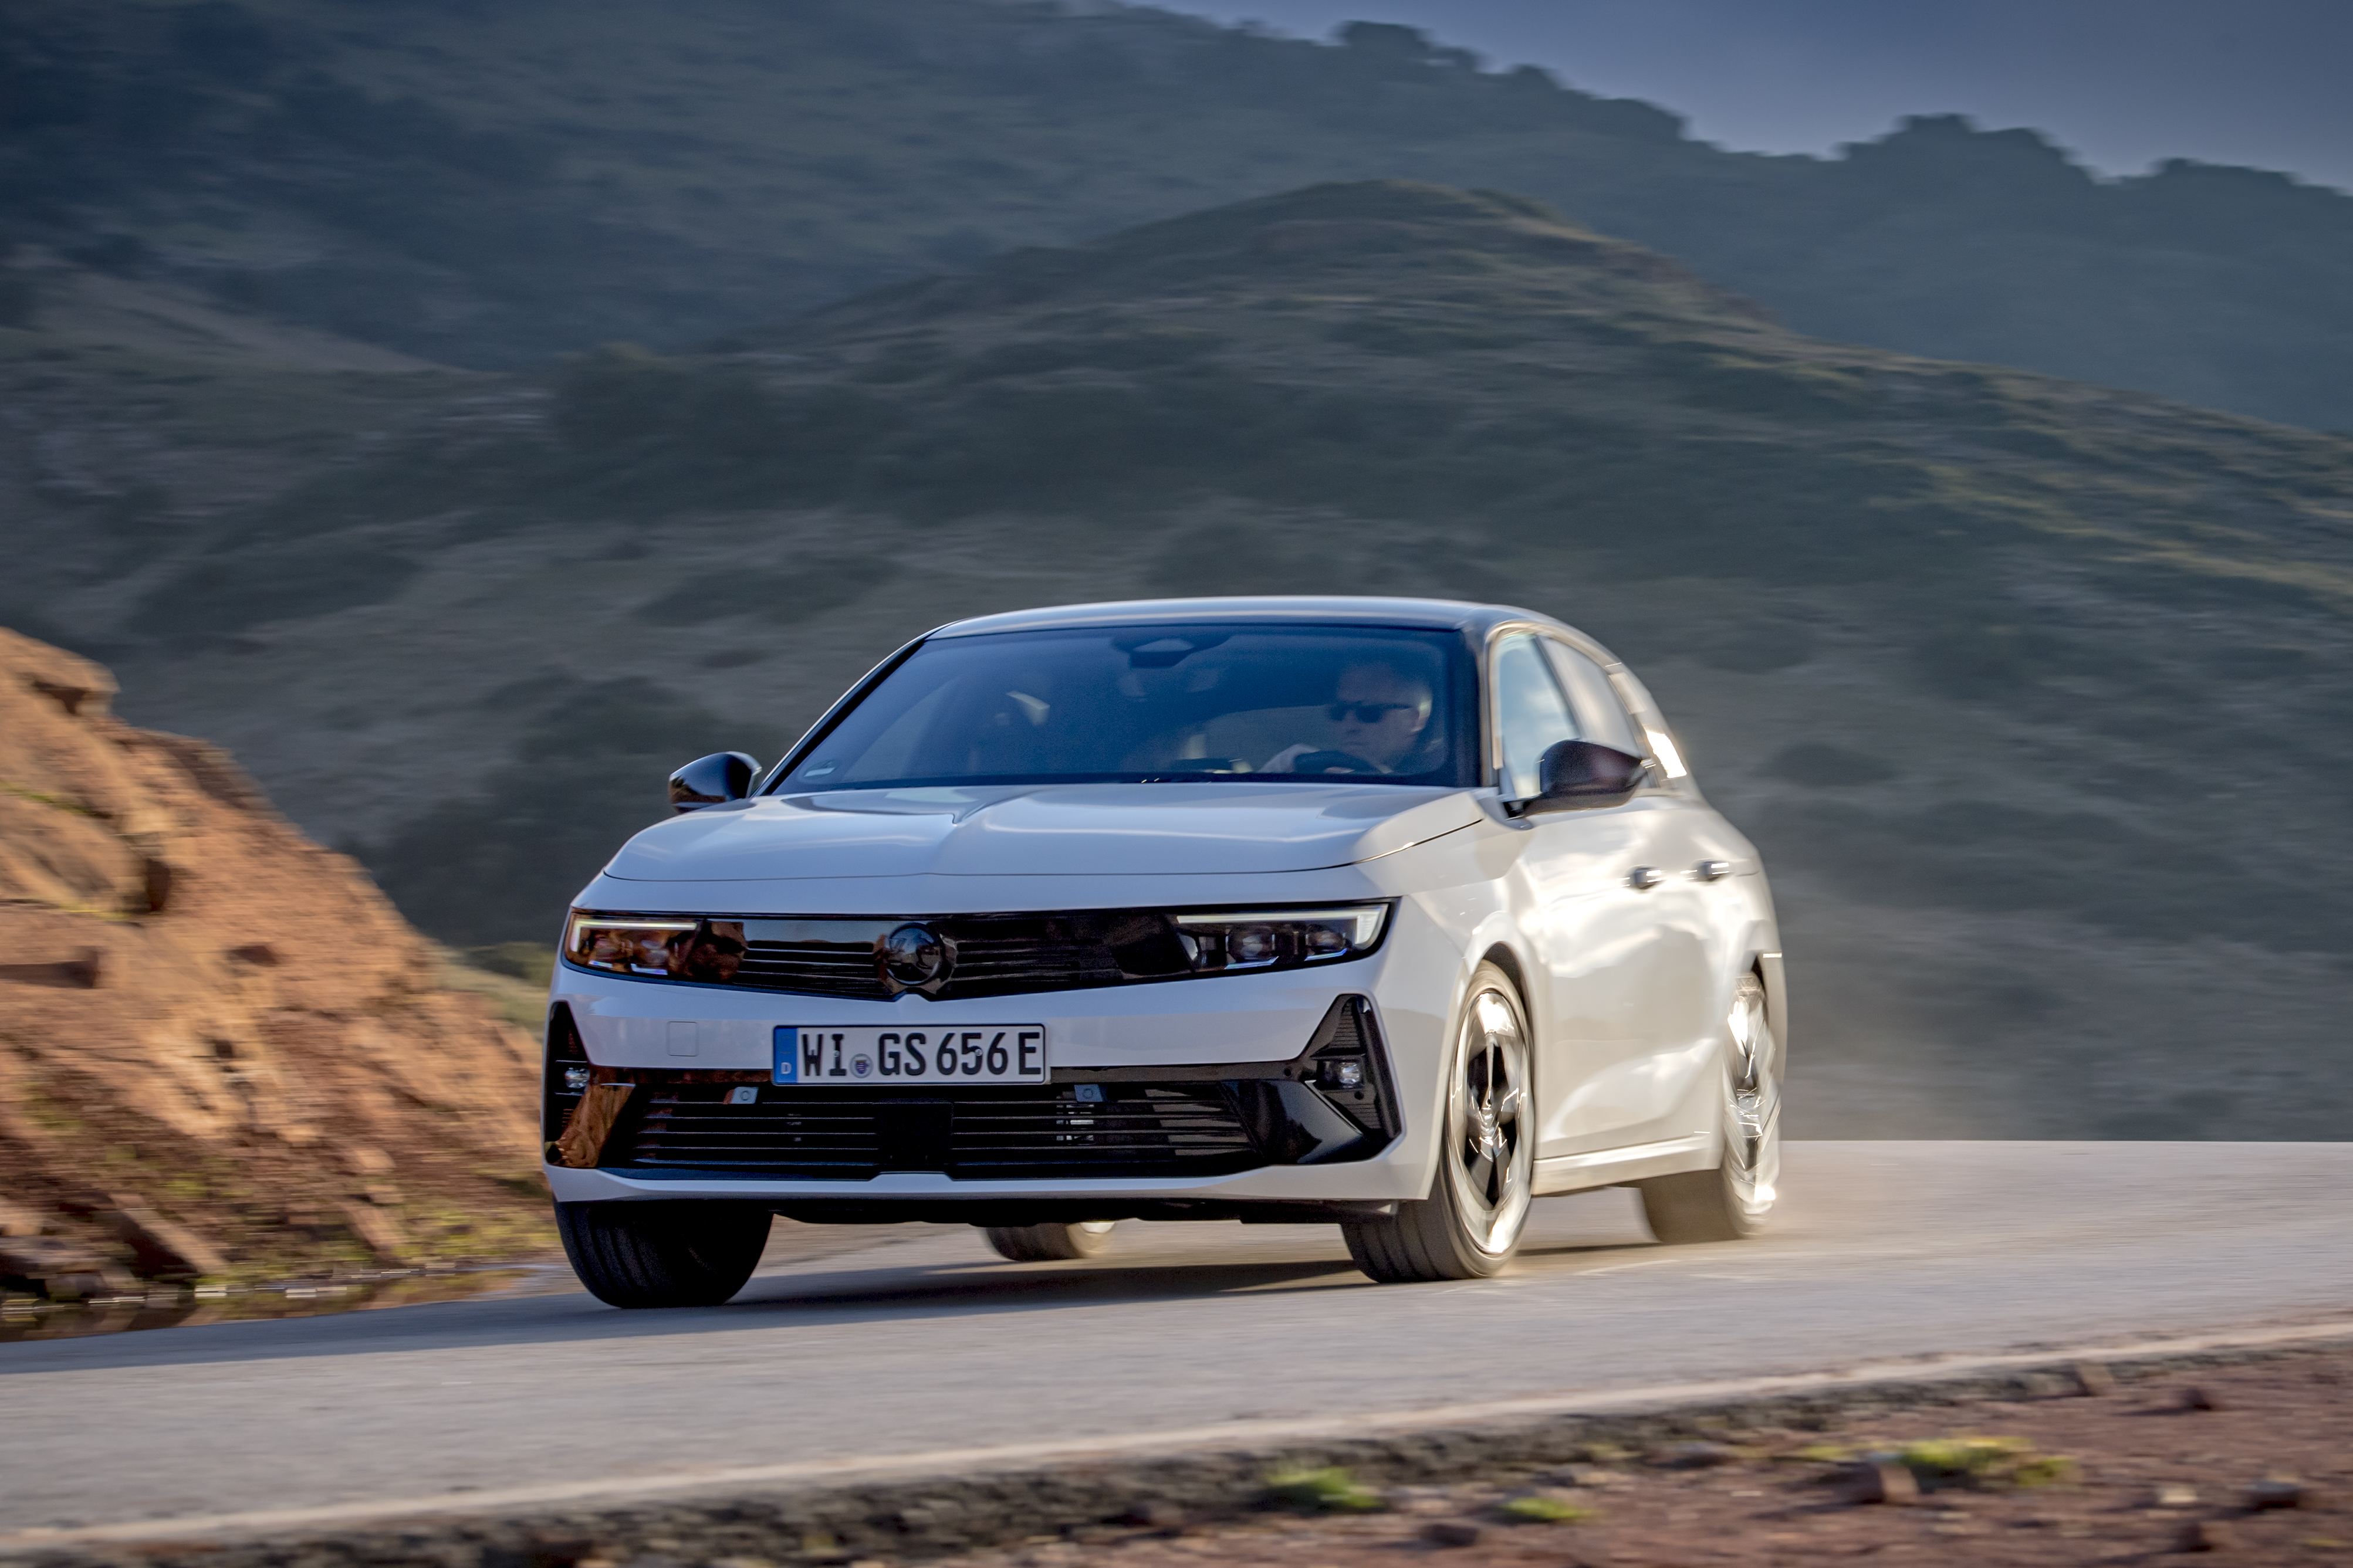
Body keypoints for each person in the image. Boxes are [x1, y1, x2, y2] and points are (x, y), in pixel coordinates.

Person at [1264, 660, 1441, 775]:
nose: (1349, 725)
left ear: (1413, 720)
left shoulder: (1443, 779)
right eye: (1338, 711)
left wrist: (1379, 777)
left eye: (1369, 712)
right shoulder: (1316, 769)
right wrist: (1279, 768)